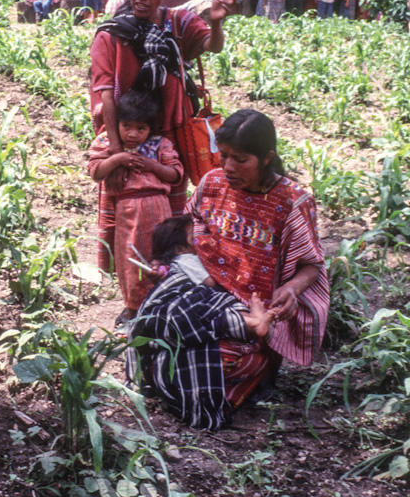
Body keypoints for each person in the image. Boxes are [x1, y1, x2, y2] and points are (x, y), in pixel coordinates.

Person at [127, 109, 329, 430]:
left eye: (241, 159)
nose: (229, 167)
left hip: (250, 311)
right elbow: (188, 228)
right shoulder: (212, 183)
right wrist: (166, 266)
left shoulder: (292, 201)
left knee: (215, 358)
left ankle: (250, 363)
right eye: (225, 156)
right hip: (202, 295)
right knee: (151, 326)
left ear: (267, 158)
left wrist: (291, 290)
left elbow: (311, 264)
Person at [88, 0, 239, 277]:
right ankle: (129, 290)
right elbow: (105, 98)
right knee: (124, 214)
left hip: (171, 135)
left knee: (170, 214)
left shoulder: (178, 23)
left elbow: (210, 46)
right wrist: (116, 153)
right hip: (125, 138)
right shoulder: (110, 35)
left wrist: (215, 24)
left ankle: (167, 281)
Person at [126, 213, 275, 430]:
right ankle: (248, 321)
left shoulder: (176, 265)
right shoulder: (189, 262)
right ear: (180, 246)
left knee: (203, 313)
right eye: (194, 235)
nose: (202, 238)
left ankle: (248, 322)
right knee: (202, 309)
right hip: (186, 310)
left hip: (180, 333)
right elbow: (209, 285)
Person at [88, 90, 183, 324]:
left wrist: (152, 165)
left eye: (141, 128)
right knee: (129, 259)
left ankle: (159, 304)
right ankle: (132, 307)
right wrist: (117, 160)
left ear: (151, 128)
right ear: (116, 123)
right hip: (127, 209)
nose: (132, 134)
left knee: (159, 256)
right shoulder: (107, 144)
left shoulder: (161, 145)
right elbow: (95, 171)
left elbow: (175, 174)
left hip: (158, 208)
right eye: (126, 125)